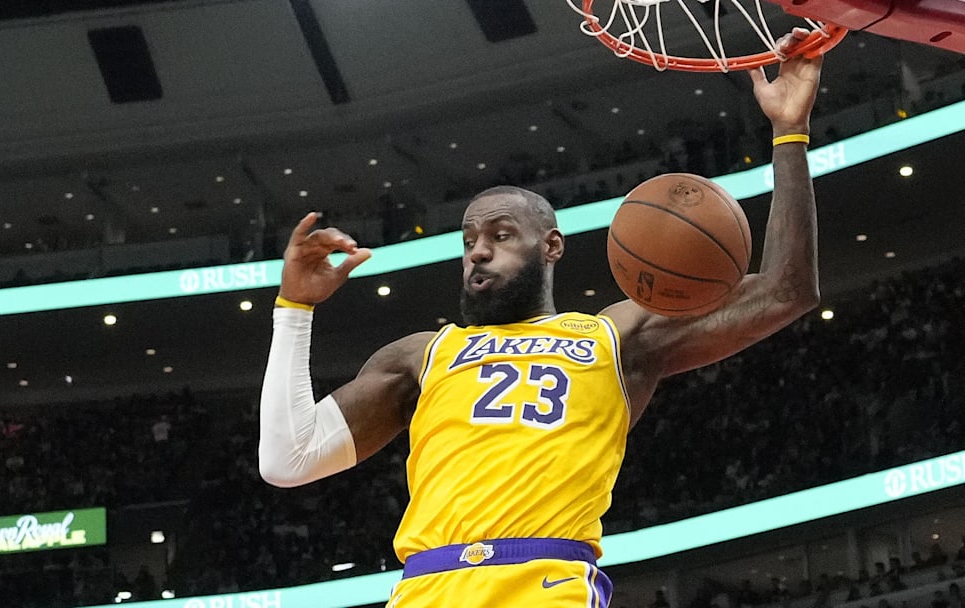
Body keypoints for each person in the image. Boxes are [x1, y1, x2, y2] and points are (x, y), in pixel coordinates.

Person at [259, 30, 823, 608]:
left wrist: (789, 132)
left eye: (501, 235)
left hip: (546, 585)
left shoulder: (615, 336)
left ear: (551, 246)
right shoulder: (418, 356)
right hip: (427, 590)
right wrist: (294, 308)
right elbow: (288, 459)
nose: (478, 250)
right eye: (470, 239)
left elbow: (786, 290)